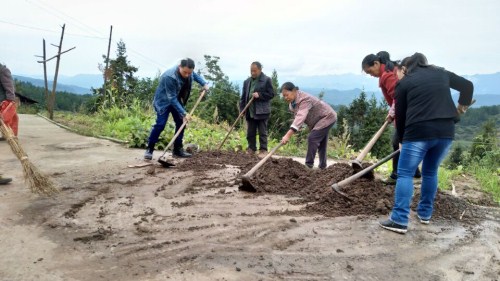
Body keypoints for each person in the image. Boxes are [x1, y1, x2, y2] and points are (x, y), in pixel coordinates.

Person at [379, 53, 473, 234]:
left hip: (418, 133)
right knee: (430, 172)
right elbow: (467, 86)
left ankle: (399, 220)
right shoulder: (441, 73)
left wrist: (402, 140)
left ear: (405, 68)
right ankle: (425, 214)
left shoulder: (404, 83)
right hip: (445, 132)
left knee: (405, 173)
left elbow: (402, 116)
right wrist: (461, 108)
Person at [361, 51, 421, 184]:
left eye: (369, 70)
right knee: (405, 141)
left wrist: (392, 113)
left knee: (398, 142)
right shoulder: (391, 70)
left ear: (376, 63)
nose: (370, 74)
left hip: (405, 112)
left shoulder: (387, 75)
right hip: (407, 111)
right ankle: (415, 172)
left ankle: (396, 175)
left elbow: (398, 96)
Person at [144, 58, 209, 160]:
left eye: (189, 72)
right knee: (160, 125)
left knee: (181, 123)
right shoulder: (169, 76)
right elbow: (171, 98)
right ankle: (149, 149)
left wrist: (204, 83)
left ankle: (177, 150)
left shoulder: (189, 72)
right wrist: (184, 112)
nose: (187, 75)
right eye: (185, 72)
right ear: (180, 67)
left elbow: (194, 75)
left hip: (176, 100)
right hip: (163, 102)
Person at [280, 82, 337, 169]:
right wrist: (297, 127)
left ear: (294, 91)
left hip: (327, 117)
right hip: (318, 121)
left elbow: (301, 116)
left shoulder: (304, 99)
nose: (285, 98)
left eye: (287, 95)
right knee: (321, 142)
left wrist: (288, 134)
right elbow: (298, 117)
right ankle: (323, 167)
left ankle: (308, 165)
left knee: (313, 138)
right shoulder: (292, 104)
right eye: (284, 96)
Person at [240, 62, 275, 157]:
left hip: (261, 111)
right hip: (250, 111)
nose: (253, 73)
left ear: (260, 70)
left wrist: (259, 95)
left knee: (262, 132)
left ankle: (263, 150)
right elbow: (243, 97)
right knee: (250, 132)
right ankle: (251, 149)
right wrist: (242, 109)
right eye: (251, 71)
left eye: (254, 71)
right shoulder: (247, 82)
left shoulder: (266, 80)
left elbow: (271, 94)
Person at [0, 63, 19, 138]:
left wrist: (10, 101)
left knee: (7, 119)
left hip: (3, 101)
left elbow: (9, 87)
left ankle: (9, 135)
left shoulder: (3, 70)